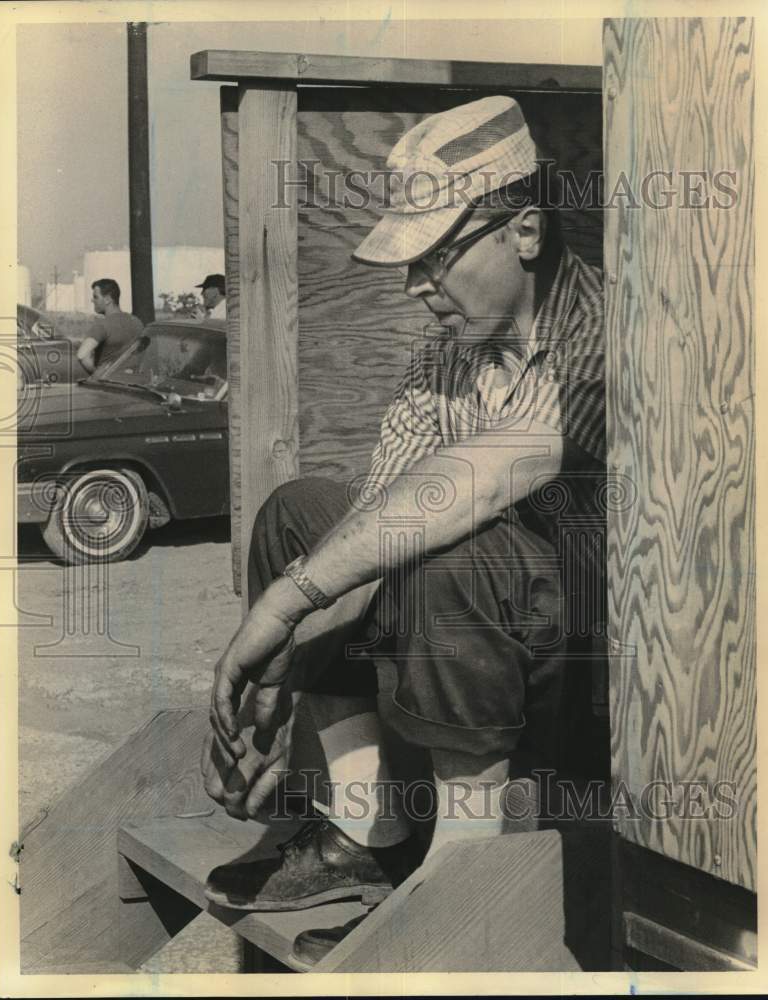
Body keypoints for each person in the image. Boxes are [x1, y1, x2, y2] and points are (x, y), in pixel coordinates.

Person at [201, 95, 606, 966]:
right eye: (406, 264)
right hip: (475, 646)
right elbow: (377, 517)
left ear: (524, 232)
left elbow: (480, 478)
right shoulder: (443, 355)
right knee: (305, 515)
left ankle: (462, 876)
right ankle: (369, 831)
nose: (416, 288)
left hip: (600, 684)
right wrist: (293, 657)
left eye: (435, 257)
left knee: (454, 547)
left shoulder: (606, 333)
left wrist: (282, 605)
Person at [77, 278, 144, 374]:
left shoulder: (103, 325)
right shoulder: (137, 322)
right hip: (133, 381)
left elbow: (82, 355)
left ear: (107, 299)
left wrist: (98, 375)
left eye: (96, 297)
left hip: (109, 384)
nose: (92, 300)